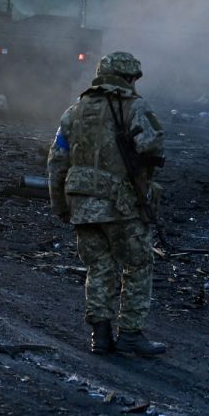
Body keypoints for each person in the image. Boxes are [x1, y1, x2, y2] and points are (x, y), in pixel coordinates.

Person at [47, 51, 167, 357]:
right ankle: (130, 334)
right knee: (138, 263)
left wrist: (60, 204)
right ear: (128, 78)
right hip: (119, 203)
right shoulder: (134, 107)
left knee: (99, 267)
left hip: (81, 203)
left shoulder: (73, 111)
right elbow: (152, 145)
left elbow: (57, 160)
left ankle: (100, 336)